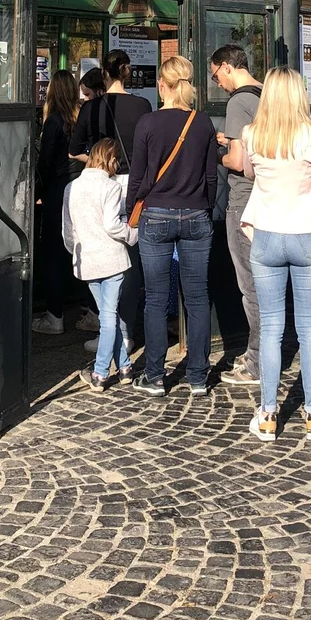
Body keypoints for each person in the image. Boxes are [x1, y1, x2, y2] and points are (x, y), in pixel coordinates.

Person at [239, 67, 311, 443]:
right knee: (310, 327)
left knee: (271, 327)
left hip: (266, 235)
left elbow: (250, 173)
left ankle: (268, 413)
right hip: (306, 236)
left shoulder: (253, 134)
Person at [126, 56, 218, 397]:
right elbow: (211, 177)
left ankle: (154, 375)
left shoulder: (147, 124)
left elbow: (137, 175)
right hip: (196, 215)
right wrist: (204, 209)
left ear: (161, 86)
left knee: (154, 299)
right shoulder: (203, 123)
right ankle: (197, 376)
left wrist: (129, 212)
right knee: (197, 298)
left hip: (157, 215)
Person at [63, 139, 137, 392]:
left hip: (88, 260)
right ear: (111, 159)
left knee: (108, 316)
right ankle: (101, 372)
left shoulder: (71, 187)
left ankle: (125, 366)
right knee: (109, 318)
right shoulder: (111, 186)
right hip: (112, 258)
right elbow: (112, 225)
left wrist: (76, 252)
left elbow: (68, 231)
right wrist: (132, 234)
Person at [210, 44, 264, 388]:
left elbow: (238, 162)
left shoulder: (238, 101)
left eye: (216, 75)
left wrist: (218, 152)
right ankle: (263, 351)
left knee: (250, 284)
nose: (217, 83)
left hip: (243, 200)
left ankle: (257, 359)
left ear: (229, 67)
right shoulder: (269, 94)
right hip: (270, 198)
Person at [32, 70, 82, 336]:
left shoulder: (54, 121)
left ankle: (54, 315)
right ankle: (91, 310)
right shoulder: (80, 116)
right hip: (80, 188)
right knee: (78, 250)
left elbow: (46, 164)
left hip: (57, 191)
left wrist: (36, 191)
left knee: (52, 253)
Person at [70, 50, 151, 173]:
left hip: (102, 176)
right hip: (132, 179)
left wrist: (97, 161)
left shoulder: (90, 108)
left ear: (104, 73)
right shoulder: (143, 105)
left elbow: (73, 152)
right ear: (127, 73)